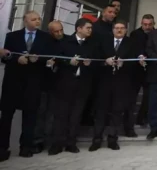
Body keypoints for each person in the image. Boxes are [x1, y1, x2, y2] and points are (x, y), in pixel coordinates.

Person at [0, 11, 53, 161]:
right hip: (13, 82)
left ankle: (26, 147)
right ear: (25, 21)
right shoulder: (12, 36)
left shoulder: (45, 37)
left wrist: (39, 60)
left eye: (39, 19)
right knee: (6, 117)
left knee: (30, 117)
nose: (37, 21)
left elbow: (49, 57)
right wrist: (16, 59)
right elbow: (5, 57)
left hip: (33, 83)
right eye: (34, 19)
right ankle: (2, 148)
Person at [48, 18, 96, 156]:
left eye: (91, 28)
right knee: (61, 115)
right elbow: (56, 59)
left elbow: (97, 61)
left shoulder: (92, 44)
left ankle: (71, 143)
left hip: (83, 84)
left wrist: (90, 63)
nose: (90, 30)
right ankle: (57, 144)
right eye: (87, 28)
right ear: (79, 28)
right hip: (65, 84)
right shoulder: (65, 42)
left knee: (76, 115)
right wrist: (68, 61)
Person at [90, 19, 137, 151]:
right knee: (101, 111)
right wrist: (105, 62)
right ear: (112, 30)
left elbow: (135, 63)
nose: (119, 30)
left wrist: (124, 63)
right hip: (104, 81)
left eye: (122, 28)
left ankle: (112, 139)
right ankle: (97, 139)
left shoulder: (131, 43)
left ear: (126, 30)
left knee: (117, 112)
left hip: (122, 82)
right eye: (117, 28)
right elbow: (95, 58)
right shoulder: (104, 41)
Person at [33, 20, 64, 154]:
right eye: (56, 31)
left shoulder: (66, 41)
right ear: (50, 32)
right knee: (41, 113)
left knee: (55, 114)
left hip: (60, 83)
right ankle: (38, 141)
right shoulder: (44, 42)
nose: (59, 33)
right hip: (44, 83)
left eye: (61, 30)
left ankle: (52, 141)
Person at [124, 14, 155, 133]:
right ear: (141, 23)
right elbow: (132, 48)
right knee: (131, 98)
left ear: (153, 24)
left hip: (150, 69)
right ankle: (128, 123)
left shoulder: (156, 34)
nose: (147, 27)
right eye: (145, 24)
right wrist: (139, 56)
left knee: (148, 97)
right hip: (136, 70)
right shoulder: (135, 34)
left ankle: (142, 118)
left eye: (150, 24)